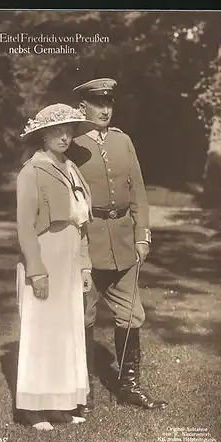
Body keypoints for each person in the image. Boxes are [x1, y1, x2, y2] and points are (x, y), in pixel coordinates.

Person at [67, 78, 168, 413]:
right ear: (83, 108)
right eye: (98, 103)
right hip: (88, 244)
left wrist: (143, 235)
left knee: (131, 315)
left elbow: (138, 191)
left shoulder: (123, 141)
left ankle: (130, 386)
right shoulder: (73, 144)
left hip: (124, 244)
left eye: (109, 102)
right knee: (84, 317)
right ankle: (82, 391)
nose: (105, 109)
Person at [16, 103, 96, 430]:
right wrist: (36, 270)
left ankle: (61, 403)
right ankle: (33, 408)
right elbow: (24, 226)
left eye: (68, 131)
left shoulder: (71, 168)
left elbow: (82, 225)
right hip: (47, 254)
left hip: (70, 254)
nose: (65, 137)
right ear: (43, 136)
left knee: (66, 331)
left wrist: (85, 266)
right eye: (57, 131)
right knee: (42, 331)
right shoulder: (32, 171)